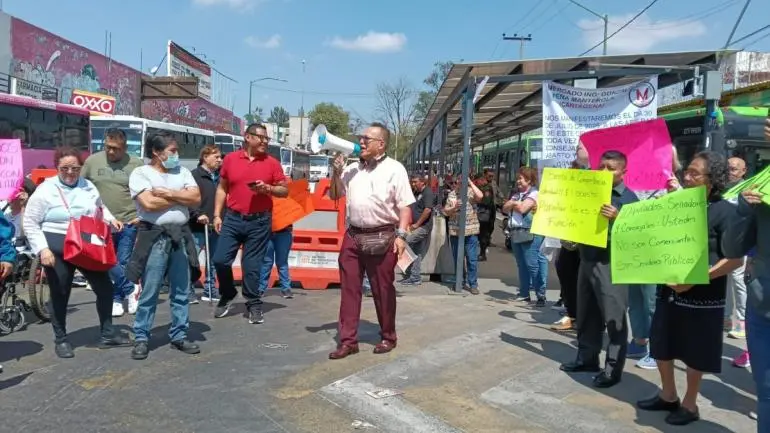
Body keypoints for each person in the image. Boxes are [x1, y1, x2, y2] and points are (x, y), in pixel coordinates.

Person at [636, 151, 742, 426]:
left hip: (704, 295)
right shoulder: (676, 204)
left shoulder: (726, 211)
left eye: (695, 173)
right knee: (662, 343)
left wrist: (697, 278)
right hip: (669, 289)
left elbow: (734, 259)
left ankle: (690, 404)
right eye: (688, 171)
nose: (687, 177)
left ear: (712, 179)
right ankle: (668, 395)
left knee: (695, 350)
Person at [23, 146, 130, 358]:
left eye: (75, 168)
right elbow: (30, 222)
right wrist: (43, 249)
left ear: (81, 167)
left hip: (86, 245)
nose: (70, 172)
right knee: (60, 293)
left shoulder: (88, 186)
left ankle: (107, 333)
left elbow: (100, 208)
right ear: (57, 167)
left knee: (105, 288)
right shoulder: (45, 190)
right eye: (65, 168)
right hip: (57, 248)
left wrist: (111, 219)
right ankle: (61, 339)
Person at [327, 122, 414, 360]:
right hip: (353, 236)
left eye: (366, 139)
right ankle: (348, 341)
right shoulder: (352, 168)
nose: (361, 142)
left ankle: (388, 336)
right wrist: (336, 172)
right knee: (349, 290)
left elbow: (405, 206)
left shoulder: (395, 169)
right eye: (361, 138)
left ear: (381, 144)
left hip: (383, 235)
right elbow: (334, 194)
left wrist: (401, 235)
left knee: (382, 289)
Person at [560, 150, 638, 389]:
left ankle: (613, 370)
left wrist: (618, 217)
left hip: (611, 264)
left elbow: (639, 234)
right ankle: (586, 359)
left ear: (623, 172)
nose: (604, 172)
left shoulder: (630, 199)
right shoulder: (590, 192)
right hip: (587, 259)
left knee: (614, 319)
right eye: (601, 167)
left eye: (611, 168)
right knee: (586, 313)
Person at [126, 132, 202, 360]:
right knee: (150, 289)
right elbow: (148, 204)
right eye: (172, 151)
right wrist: (181, 197)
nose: (176, 155)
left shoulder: (183, 172)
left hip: (180, 235)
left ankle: (179, 334)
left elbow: (196, 198)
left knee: (181, 289)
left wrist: (168, 193)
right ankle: (141, 336)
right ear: (156, 152)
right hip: (155, 236)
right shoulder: (141, 173)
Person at [212, 123, 288, 324]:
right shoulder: (230, 159)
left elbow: (284, 191)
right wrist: (217, 215)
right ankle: (228, 292)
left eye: (267, 139)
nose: (265, 142)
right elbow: (222, 188)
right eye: (261, 137)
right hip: (233, 218)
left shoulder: (272, 163)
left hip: (259, 222)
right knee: (220, 260)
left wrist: (268, 188)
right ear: (247, 137)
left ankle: (253, 303)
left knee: (251, 266)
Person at [723, 117, 770, 429]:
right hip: (761, 307)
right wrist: (743, 211)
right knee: (766, 393)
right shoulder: (761, 186)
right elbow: (733, 248)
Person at [82, 128, 144, 317]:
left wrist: (141, 216)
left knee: (121, 260)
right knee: (105, 262)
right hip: (99, 223)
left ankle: (117, 298)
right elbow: (80, 187)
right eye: (107, 147)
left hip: (128, 221)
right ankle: (130, 289)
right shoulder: (92, 162)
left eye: (115, 148)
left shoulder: (136, 164)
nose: (110, 151)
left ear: (124, 148)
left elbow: (146, 192)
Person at [503, 167, 548, 307]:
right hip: (516, 232)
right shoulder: (517, 195)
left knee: (532, 264)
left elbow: (523, 209)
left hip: (529, 232)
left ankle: (540, 295)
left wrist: (513, 204)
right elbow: (504, 208)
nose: (518, 181)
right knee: (521, 264)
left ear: (529, 180)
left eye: (520, 179)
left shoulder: (534, 193)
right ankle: (524, 293)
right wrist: (514, 203)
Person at [189, 143, 223, 303]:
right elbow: (189, 200)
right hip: (197, 226)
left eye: (220, 157)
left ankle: (210, 289)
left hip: (215, 225)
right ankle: (188, 290)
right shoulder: (194, 176)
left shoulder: (220, 177)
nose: (220, 160)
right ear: (205, 157)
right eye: (216, 157)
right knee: (192, 259)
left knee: (213, 261)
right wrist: (197, 214)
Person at [444, 174, 483, 294]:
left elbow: (480, 196)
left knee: (472, 259)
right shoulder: (452, 194)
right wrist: (454, 208)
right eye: (457, 182)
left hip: (471, 231)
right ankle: (460, 280)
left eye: (461, 182)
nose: (458, 185)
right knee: (458, 259)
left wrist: (470, 182)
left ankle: (473, 284)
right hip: (456, 231)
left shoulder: (470, 192)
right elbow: (446, 211)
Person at [725, 157, 748, 341]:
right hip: (723, 241)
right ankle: (726, 319)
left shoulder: (747, 189)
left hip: (741, 243)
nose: (729, 172)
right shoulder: (721, 187)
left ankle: (741, 322)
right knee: (724, 279)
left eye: (733, 169)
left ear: (743, 171)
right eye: (727, 169)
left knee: (738, 281)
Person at [400, 173, 434, 285]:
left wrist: (417, 224)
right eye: (412, 182)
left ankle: (410, 271)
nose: (413, 184)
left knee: (404, 242)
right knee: (416, 251)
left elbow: (427, 210)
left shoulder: (427, 192)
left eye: (415, 182)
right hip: (415, 226)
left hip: (423, 227)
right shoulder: (416, 193)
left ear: (422, 182)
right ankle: (414, 276)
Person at [258, 224, 294, 299]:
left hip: (284, 232)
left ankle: (286, 288)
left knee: (282, 262)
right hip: (267, 232)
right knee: (266, 262)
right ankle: (261, 288)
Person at [475, 174, 496, 261]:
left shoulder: (486, 188)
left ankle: (482, 254)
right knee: (482, 235)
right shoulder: (482, 188)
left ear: (481, 180)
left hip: (486, 215)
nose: (477, 183)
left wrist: (477, 200)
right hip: (484, 214)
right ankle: (482, 253)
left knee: (483, 234)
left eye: (478, 181)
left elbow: (487, 201)